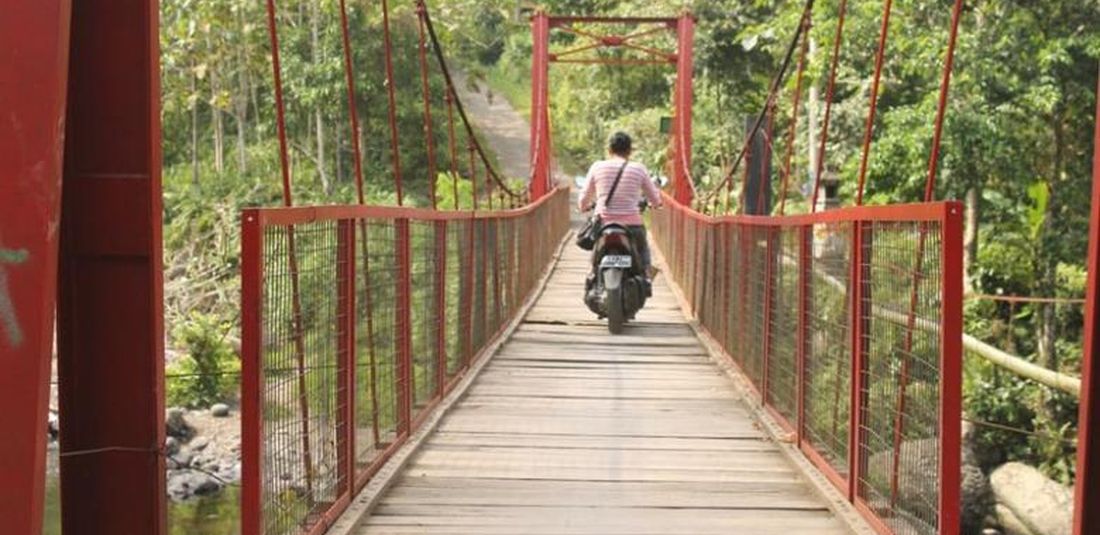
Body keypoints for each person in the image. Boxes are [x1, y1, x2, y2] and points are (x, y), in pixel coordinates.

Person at [578, 131, 663, 278]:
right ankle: (647, 275)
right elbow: (655, 199)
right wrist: (656, 204)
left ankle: (592, 273)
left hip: (603, 223)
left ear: (609, 149)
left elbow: (583, 198)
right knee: (643, 249)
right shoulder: (639, 169)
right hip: (632, 226)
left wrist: (583, 206)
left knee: (595, 251)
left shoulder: (597, 167)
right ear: (630, 151)